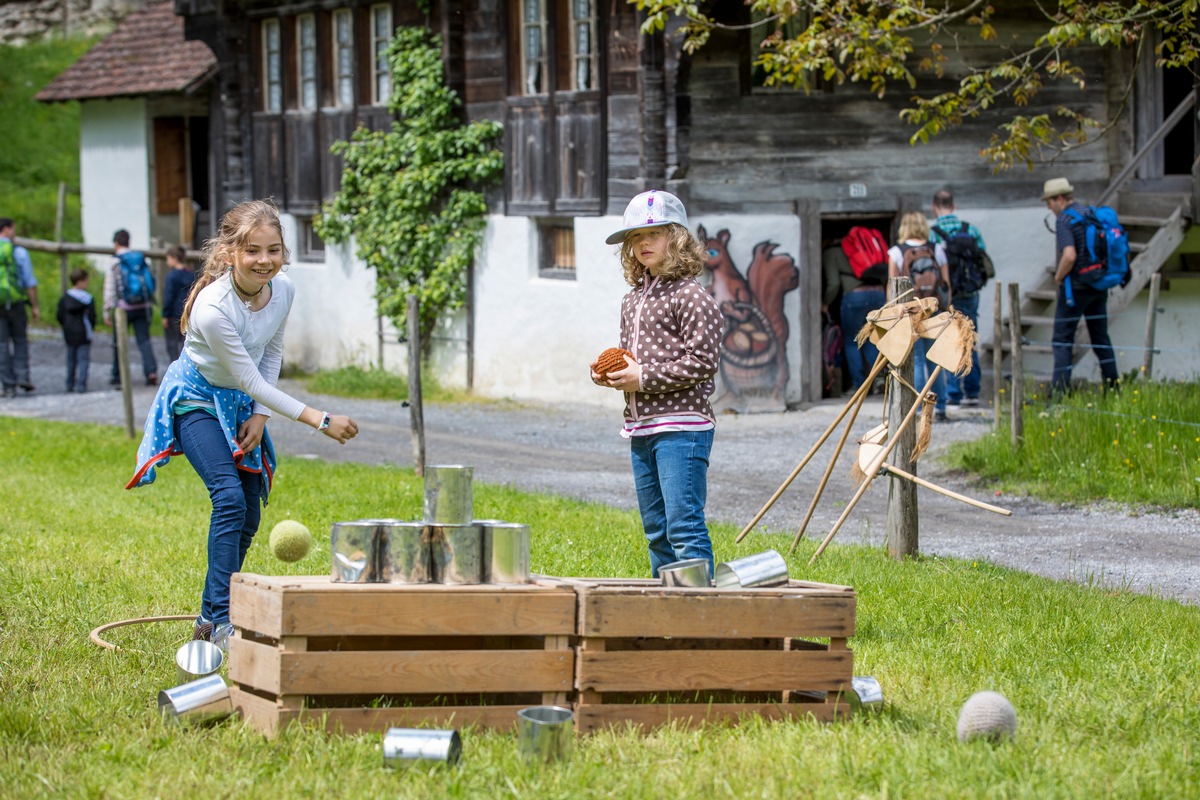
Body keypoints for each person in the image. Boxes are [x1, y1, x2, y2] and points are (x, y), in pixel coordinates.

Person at [125, 199, 359, 651]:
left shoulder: (284, 290)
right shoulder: (214, 308)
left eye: (274, 250)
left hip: (241, 404)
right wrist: (320, 420)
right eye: (253, 250)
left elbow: (270, 353)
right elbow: (249, 376)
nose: (265, 261)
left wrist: (260, 414)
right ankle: (220, 622)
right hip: (196, 398)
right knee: (228, 497)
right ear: (230, 252)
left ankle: (210, 615)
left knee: (249, 511)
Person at [591, 190, 723, 579]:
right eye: (634, 237)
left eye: (654, 233)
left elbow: (703, 362)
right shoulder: (632, 300)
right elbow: (631, 359)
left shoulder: (692, 297)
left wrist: (641, 377)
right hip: (641, 428)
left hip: (683, 428)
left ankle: (700, 620)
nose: (643, 243)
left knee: (684, 527)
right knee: (656, 531)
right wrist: (608, 372)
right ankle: (666, 610)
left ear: (678, 238)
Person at [1042, 177, 1120, 396]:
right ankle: (1114, 390)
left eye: (1049, 202)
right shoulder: (1089, 213)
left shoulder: (1065, 219)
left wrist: (1058, 277)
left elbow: (1069, 255)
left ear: (1059, 199)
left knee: (1061, 340)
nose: (1049, 207)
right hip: (1098, 286)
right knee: (1101, 339)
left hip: (1074, 290)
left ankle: (1058, 396)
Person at [888, 211, 951, 422]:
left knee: (915, 360)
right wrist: (945, 308)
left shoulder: (897, 252)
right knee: (935, 360)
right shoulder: (937, 249)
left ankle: (917, 408)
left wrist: (893, 314)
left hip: (910, 312)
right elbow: (945, 284)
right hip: (934, 310)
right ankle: (939, 407)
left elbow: (892, 286)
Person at [928, 189, 987, 407]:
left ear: (934, 207)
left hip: (947, 295)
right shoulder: (970, 229)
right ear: (954, 206)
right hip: (970, 294)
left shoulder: (933, 233)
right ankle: (973, 391)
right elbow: (982, 256)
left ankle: (953, 392)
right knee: (969, 338)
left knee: (949, 340)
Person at [822, 236, 885, 393]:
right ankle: (879, 379)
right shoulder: (863, 248)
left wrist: (825, 303)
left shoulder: (831, 252)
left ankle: (859, 386)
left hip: (854, 297)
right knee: (872, 339)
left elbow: (834, 283)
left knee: (852, 341)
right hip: (878, 294)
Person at [103, 228, 159, 386]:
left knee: (119, 341)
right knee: (144, 341)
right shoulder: (139, 258)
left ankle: (118, 375)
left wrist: (106, 310)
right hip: (143, 306)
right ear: (129, 242)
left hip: (123, 308)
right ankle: (151, 371)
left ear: (115, 243)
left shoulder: (115, 261)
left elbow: (110, 288)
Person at [0, 217, 40, 398]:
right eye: (13, 229)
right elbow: (29, 282)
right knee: (20, 340)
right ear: (7, 229)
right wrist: (34, 305)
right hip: (16, 304)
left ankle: (8, 385)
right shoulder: (19, 252)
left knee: (1, 345)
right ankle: (23, 376)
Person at [55, 267, 96, 393]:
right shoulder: (88, 299)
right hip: (83, 333)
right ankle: (81, 384)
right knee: (83, 359)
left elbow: (59, 315)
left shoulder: (65, 298)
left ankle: (69, 383)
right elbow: (92, 317)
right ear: (81, 282)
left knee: (71, 359)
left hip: (69, 333)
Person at [162, 245, 196, 363]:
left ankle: (174, 364)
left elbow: (168, 296)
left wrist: (165, 314)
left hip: (173, 313)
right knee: (186, 341)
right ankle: (186, 364)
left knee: (172, 342)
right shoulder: (192, 274)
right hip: (188, 312)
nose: (167, 262)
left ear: (174, 258)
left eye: (168, 258)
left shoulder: (171, 276)